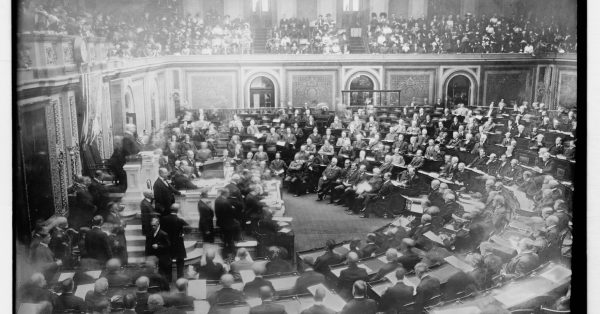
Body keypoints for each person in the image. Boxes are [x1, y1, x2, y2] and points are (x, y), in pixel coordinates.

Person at [160, 203, 190, 280]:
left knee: (168, 262)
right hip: (178, 243)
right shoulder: (180, 220)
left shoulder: (163, 219)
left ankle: (169, 278)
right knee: (180, 261)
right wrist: (182, 233)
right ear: (178, 211)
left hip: (167, 243)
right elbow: (188, 229)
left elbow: (161, 231)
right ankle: (180, 278)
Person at [214, 188, 241, 257]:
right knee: (230, 239)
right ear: (226, 193)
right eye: (228, 193)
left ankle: (225, 253)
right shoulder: (225, 202)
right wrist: (233, 208)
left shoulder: (218, 199)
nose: (229, 194)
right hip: (228, 224)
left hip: (221, 222)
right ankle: (234, 254)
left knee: (226, 239)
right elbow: (232, 213)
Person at [145, 217, 173, 282]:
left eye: (154, 225)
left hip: (162, 256)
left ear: (158, 224)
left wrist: (159, 246)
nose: (153, 227)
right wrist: (147, 256)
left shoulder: (163, 234)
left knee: (162, 272)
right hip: (153, 256)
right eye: (151, 225)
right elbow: (147, 246)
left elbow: (168, 245)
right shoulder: (149, 234)